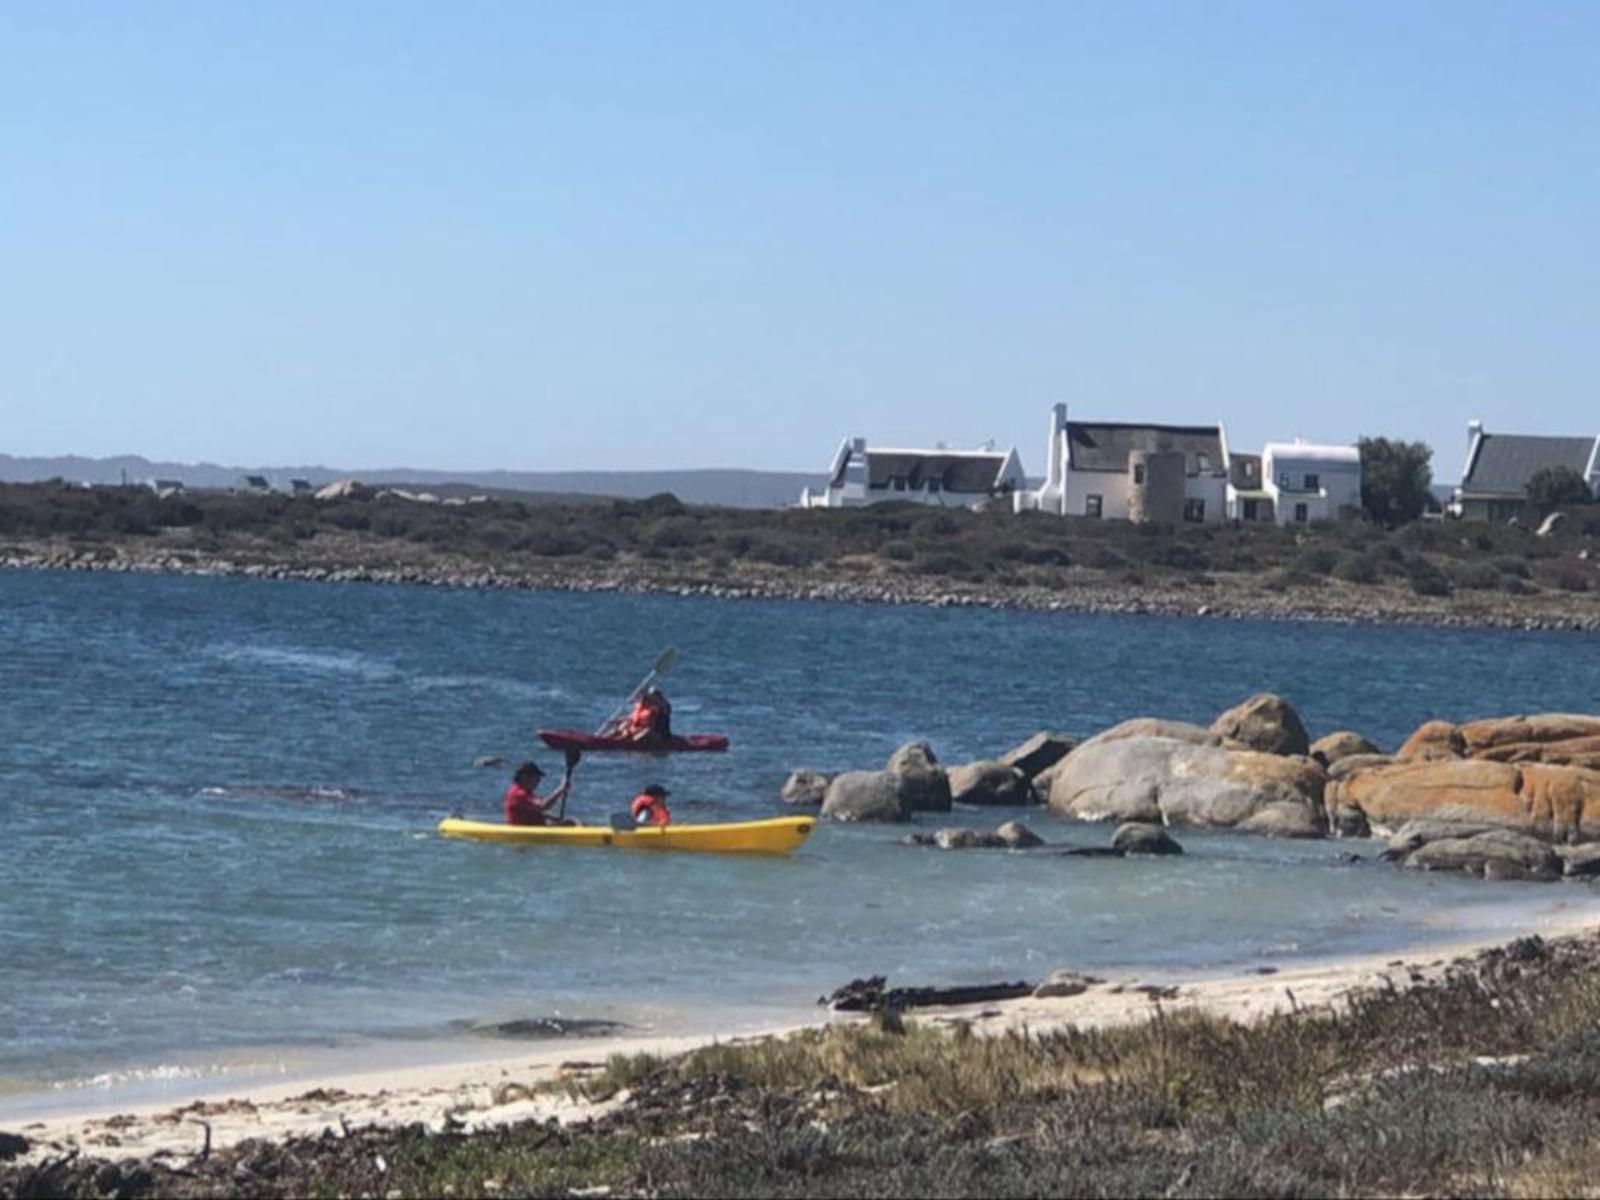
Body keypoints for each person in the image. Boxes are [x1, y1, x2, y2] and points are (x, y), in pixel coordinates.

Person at [502, 751, 580, 826]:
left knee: (572, 823)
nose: (538, 782)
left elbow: (533, 810)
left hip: (533, 828)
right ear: (524, 777)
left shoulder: (522, 791)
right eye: (537, 779)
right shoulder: (519, 794)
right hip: (527, 832)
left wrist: (553, 818)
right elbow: (543, 805)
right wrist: (561, 789)